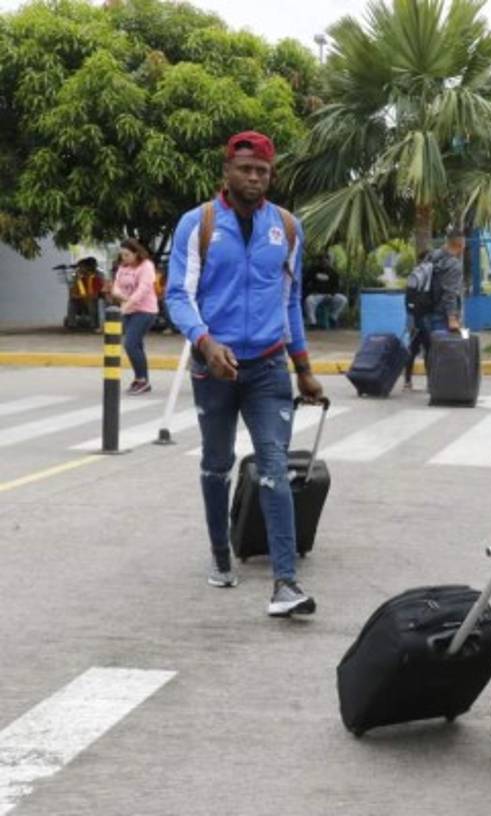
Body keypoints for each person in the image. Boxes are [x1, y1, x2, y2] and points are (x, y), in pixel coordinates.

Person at [165, 130, 324, 618]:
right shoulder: (200, 224)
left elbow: (289, 302)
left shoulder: (288, 228)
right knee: (216, 463)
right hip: (214, 367)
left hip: (269, 366)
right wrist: (205, 342)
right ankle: (220, 554)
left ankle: (285, 583)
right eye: (246, 169)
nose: (254, 178)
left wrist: (304, 369)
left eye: (262, 171)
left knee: (274, 466)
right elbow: (177, 295)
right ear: (227, 173)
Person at [403, 231, 464, 390]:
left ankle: (408, 381)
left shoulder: (431, 256)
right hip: (438, 313)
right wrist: (452, 317)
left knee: (417, 344)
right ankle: (435, 384)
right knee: (436, 349)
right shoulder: (454, 265)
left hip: (420, 309)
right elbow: (450, 293)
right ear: (460, 245)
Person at [109, 238, 159, 394]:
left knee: (130, 344)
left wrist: (126, 305)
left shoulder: (147, 266)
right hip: (128, 310)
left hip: (145, 311)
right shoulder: (123, 267)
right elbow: (116, 286)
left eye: (127, 255)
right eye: (122, 255)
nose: (124, 259)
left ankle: (142, 380)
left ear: (136, 253)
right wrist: (121, 297)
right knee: (136, 345)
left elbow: (143, 290)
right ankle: (141, 379)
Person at [303, 255, 347, 329]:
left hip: (329, 296)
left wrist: (332, 294)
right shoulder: (312, 271)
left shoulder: (333, 273)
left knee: (343, 299)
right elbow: (305, 283)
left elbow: (337, 286)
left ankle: (333, 318)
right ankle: (312, 323)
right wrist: (311, 292)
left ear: (329, 262)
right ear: (319, 261)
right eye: (322, 261)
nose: (324, 263)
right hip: (316, 295)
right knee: (309, 300)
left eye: (326, 261)